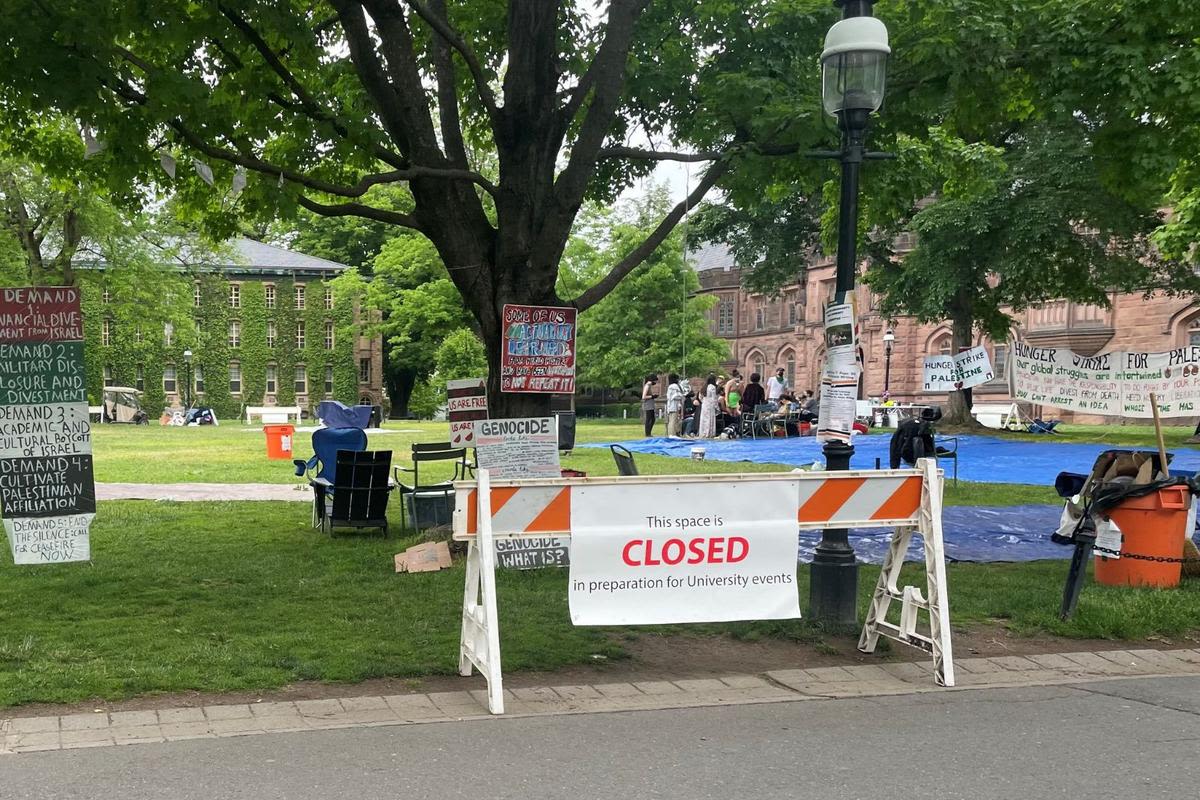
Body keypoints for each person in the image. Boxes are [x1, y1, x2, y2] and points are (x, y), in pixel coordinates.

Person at [697, 374, 719, 438]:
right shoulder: (712, 387)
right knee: (710, 419)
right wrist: (717, 407)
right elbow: (714, 398)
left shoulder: (704, 387)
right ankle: (709, 433)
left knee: (704, 419)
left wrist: (703, 401)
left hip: (704, 404)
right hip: (710, 405)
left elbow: (700, 397)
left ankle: (703, 433)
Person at [665, 373, 685, 437]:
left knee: (673, 420)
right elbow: (675, 396)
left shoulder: (670, 386)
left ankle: (674, 433)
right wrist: (681, 395)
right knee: (673, 421)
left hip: (672, 405)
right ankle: (672, 434)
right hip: (673, 405)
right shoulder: (674, 386)